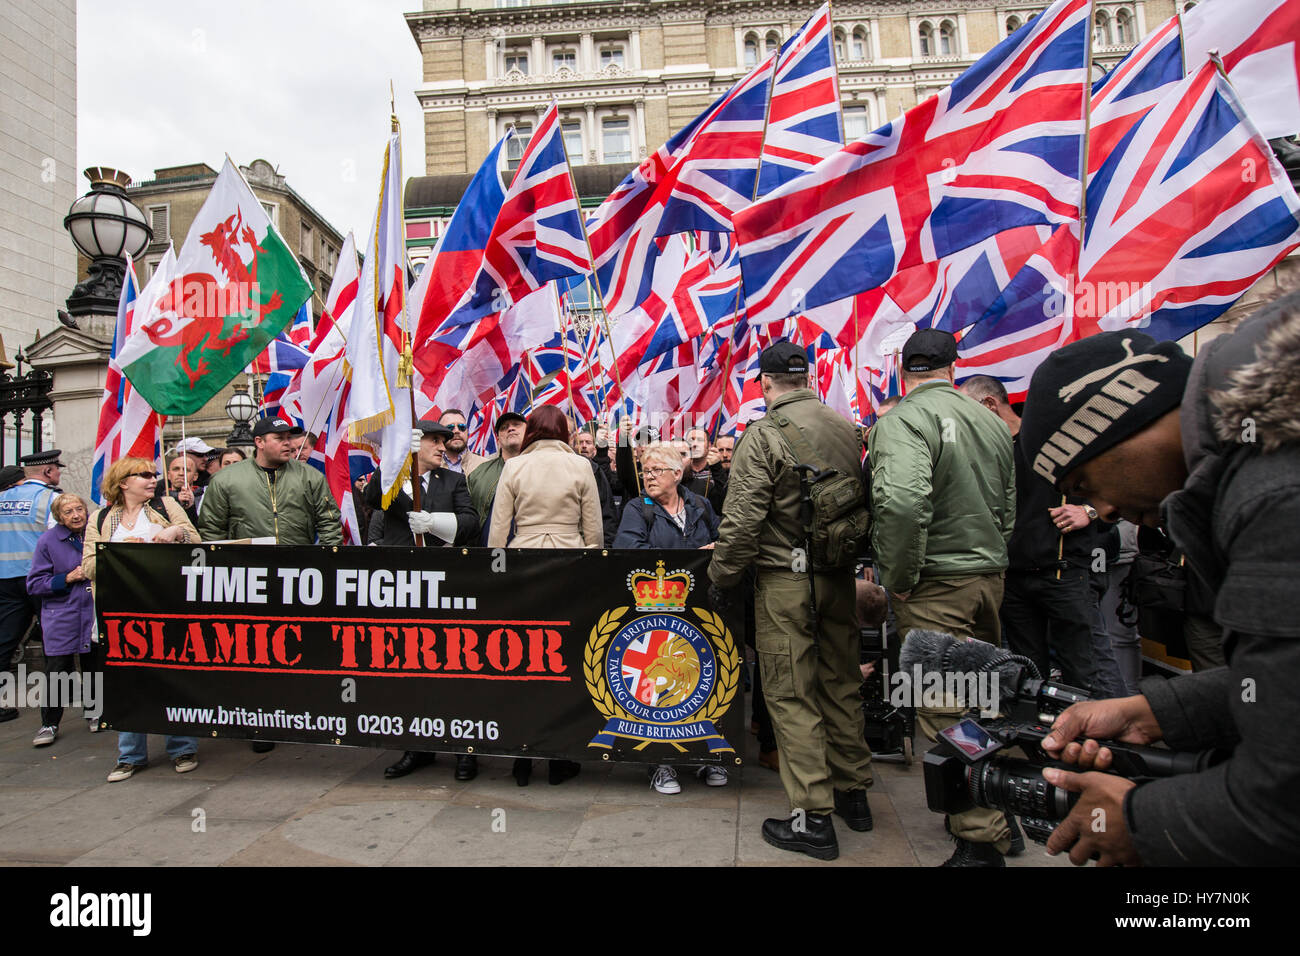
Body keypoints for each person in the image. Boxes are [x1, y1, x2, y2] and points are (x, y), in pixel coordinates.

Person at [1019, 300, 1300, 866]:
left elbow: (1282, 799)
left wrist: (1141, 820)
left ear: (1121, 420)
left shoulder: (1270, 498)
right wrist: (1154, 711)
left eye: (1084, 480)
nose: (1102, 507)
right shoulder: (1259, 468)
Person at [708, 342, 874, 862]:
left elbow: (741, 522)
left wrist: (721, 576)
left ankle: (813, 818)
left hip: (785, 581)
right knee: (842, 681)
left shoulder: (762, 435)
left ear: (764, 384)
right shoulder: (846, 427)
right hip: (838, 577)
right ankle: (854, 795)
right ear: (808, 377)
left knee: (790, 693)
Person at [869, 331, 1016, 867]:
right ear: (953, 368)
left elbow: (903, 503)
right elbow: (1006, 504)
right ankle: (1001, 812)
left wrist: (900, 576)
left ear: (903, 370)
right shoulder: (989, 420)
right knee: (987, 699)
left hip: (936, 583)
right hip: (985, 576)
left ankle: (980, 838)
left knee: (944, 706)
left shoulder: (902, 420)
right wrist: (992, 558)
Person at [960, 374, 1118, 695]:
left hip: (1063, 575)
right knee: (1028, 678)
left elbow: (1115, 483)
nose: (966, 424)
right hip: (1013, 580)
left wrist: (1088, 511)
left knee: (1085, 671)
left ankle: (1104, 741)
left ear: (990, 404)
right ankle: (1046, 741)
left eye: (969, 413)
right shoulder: (985, 453)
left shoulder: (1055, 439)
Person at [364, 419, 482, 783]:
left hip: (446, 586)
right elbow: (372, 498)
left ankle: (465, 749)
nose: (441, 446)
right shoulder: (395, 481)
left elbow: (470, 523)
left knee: (454, 668)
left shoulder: (453, 481)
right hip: (406, 587)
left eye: (443, 441)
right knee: (412, 669)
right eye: (433, 440)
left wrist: (433, 522)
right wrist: (397, 461)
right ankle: (417, 746)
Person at [488, 406, 600, 787]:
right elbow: (595, 532)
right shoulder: (581, 467)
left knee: (525, 660)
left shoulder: (514, 467)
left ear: (532, 430)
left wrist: (495, 574)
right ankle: (559, 759)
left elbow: (498, 532)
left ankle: (522, 756)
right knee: (564, 661)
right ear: (564, 431)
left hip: (524, 564)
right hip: (570, 563)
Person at [612, 443, 725, 794]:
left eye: (657, 470)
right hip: (656, 613)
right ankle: (660, 762)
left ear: (678, 474)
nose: (649, 476)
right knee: (656, 689)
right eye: (646, 470)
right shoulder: (637, 508)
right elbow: (630, 552)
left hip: (700, 612)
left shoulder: (700, 505)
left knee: (698, 682)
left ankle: (703, 755)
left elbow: (722, 538)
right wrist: (694, 557)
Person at [83, 456, 200, 781]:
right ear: (123, 482)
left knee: (172, 676)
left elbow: (196, 543)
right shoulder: (102, 518)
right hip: (120, 614)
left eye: (153, 474)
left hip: (165, 607)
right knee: (127, 681)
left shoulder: (166, 507)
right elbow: (90, 565)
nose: (152, 479)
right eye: (144, 475)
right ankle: (130, 755)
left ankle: (182, 748)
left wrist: (175, 532)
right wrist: (120, 551)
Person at [199, 418, 343, 547]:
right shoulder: (226, 479)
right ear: (259, 442)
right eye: (279, 438)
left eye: (288, 437)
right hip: (246, 568)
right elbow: (212, 528)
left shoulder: (310, 476)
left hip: (298, 566)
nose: (287, 443)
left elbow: (329, 523)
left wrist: (326, 562)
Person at [26, 494, 96, 746]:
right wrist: (66, 578)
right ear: (59, 516)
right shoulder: (48, 541)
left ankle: (94, 712)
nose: (76, 515)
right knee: (56, 670)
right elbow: (34, 584)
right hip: (62, 614)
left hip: (91, 612)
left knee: (93, 665)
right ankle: (49, 722)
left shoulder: (94, 533)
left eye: (79, 509)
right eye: (68, 512)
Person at [0, 448, 63, 723]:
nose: (59, 473)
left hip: (5, 578)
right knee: (54, 643)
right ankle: (54, 706)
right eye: (57, 469)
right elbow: (59, 542)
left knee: (4, 640)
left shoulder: (1, 499)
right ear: (48, 471)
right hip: (41, 581)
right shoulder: (51, 499)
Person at [467, 412, 527, 530]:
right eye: (504, 428)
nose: (510, 428)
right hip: (492, 547)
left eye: (516, 424)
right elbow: (468, 517)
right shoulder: (479, 474)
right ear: (498, 440)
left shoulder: (544, 468)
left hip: (535, 546)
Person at [682, 427, 728, 515]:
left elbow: (725, 501)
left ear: (709, 446)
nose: (694, 444)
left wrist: (716, 467)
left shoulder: (718, 470)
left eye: (700, 440)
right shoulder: (680, 471)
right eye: (691, 440)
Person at [438, 408, 486, 476]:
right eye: (450, 427)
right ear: (440, 433)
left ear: (467, 431)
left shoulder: (484, 465)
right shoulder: (430, 466)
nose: (457, 431)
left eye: (462, 427)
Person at [165, 453, 201, 523]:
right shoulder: (159, 499)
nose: (181, 473)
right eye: (176, 469)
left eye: (186, 470)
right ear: (169, 475)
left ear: (195, 476)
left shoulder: (204, 498)